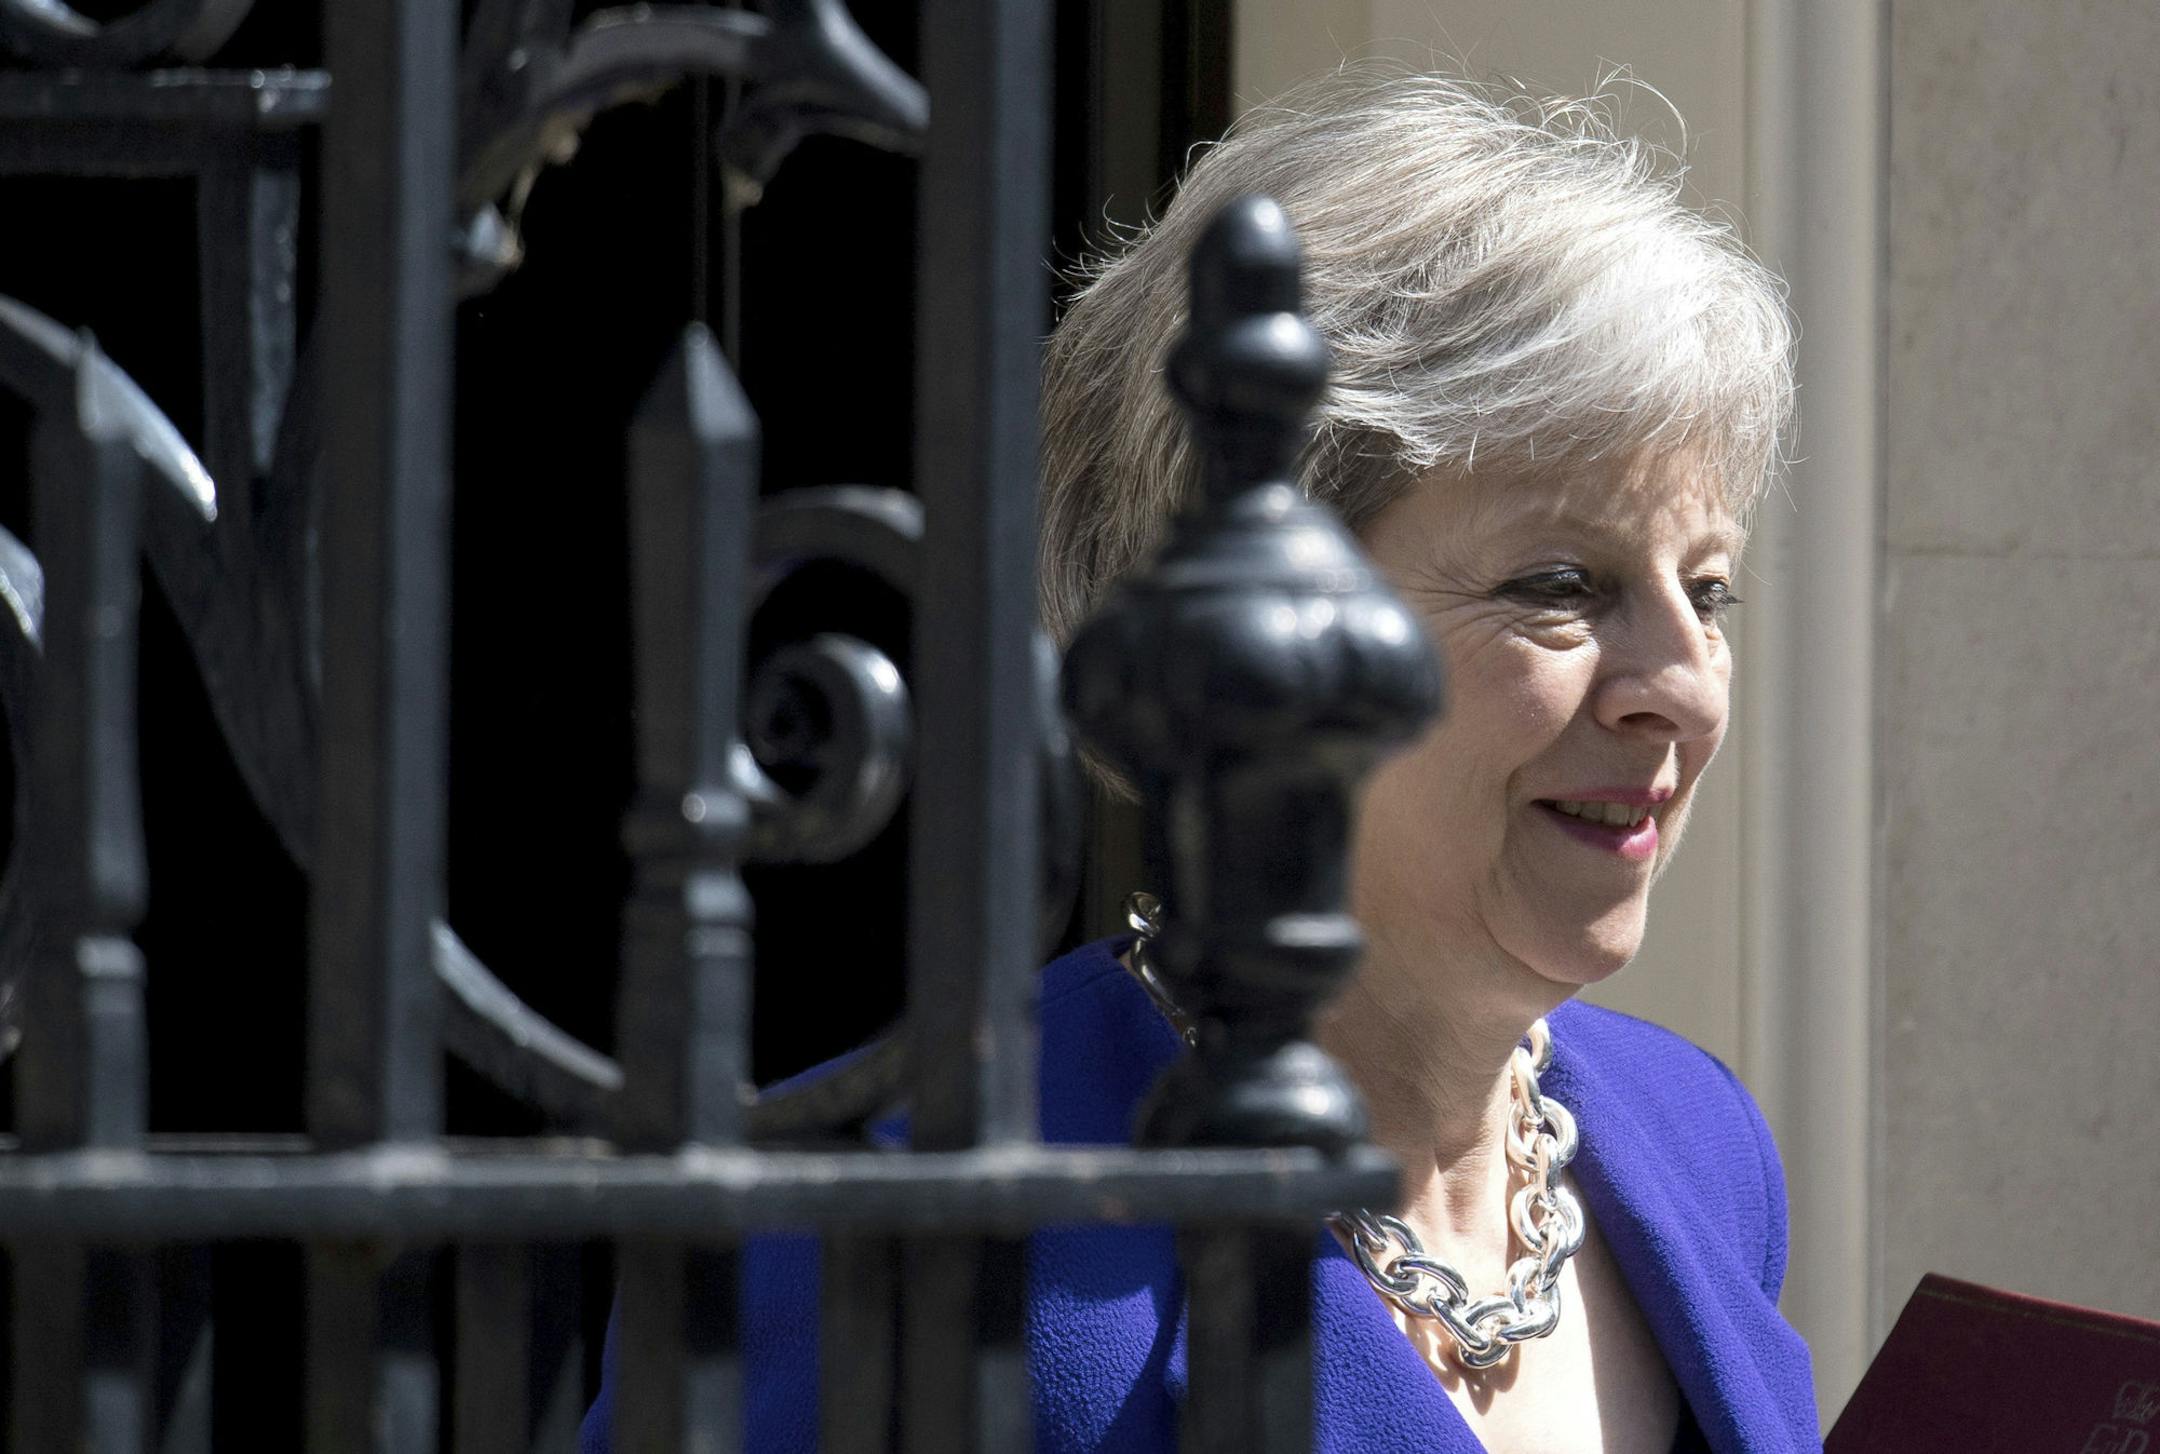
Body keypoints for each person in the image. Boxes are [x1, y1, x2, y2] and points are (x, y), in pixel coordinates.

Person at [585, 67, 1816, 1453]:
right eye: (1560, 582)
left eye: (1706, 592)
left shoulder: (1699, 1144)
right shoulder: (898, 1251)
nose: (1680, 689)